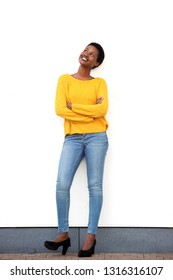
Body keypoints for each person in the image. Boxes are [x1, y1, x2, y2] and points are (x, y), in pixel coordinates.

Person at [44, 42, 109, 257]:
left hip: (97, 137)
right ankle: (63, 233)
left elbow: (102, 109)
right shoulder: (65, 80)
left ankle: (91, 237)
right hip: (72, 138)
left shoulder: (99, 83)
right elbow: (60, 109)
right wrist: (90, 113)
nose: (87, 55)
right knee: (62, 184)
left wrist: (76, 107)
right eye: (86, 50)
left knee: (95, 186)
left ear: (96, 62)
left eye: (92, 54)